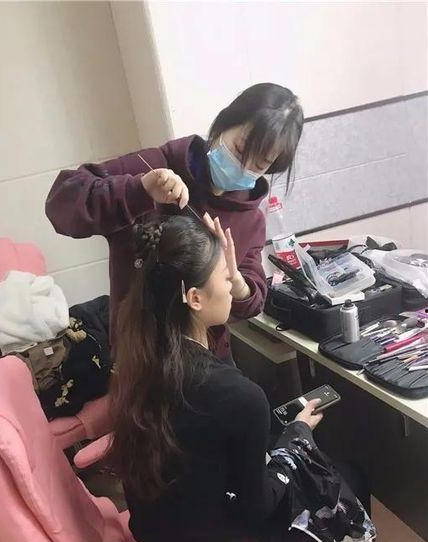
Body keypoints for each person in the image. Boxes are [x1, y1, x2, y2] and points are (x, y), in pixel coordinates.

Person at [107, 214, 341, 542]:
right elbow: (258, 508)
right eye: (224, 275)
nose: (233, 283)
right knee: (345, 482)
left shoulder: (138, 366)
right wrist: (297, 437)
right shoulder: (236, 395)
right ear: (195, 298)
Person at [45, 83, 304, 360]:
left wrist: (236, 281)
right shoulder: (155, 165)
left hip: (208, 360)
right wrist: (139, 190)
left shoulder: (250, 218)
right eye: (240, 150)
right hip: (142, 358)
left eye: (260, 165)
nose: (244, 168)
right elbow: (61, 204)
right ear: (225, 122)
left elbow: (251, 302)